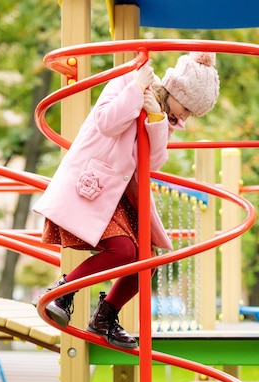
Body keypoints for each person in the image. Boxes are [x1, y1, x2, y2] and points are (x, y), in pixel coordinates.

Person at [32, 51, 220, 349]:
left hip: (120, 194)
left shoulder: (163, 113)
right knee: (122, 250)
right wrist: (135, 88)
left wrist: (157, 120)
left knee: (147, 258)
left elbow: (150, 162)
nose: (184, 117)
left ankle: (104, 318)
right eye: (186, 108)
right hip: (93, 183)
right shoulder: (128, 79)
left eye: (191, 114)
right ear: (177, 91)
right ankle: (61, 293)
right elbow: (106, 122)